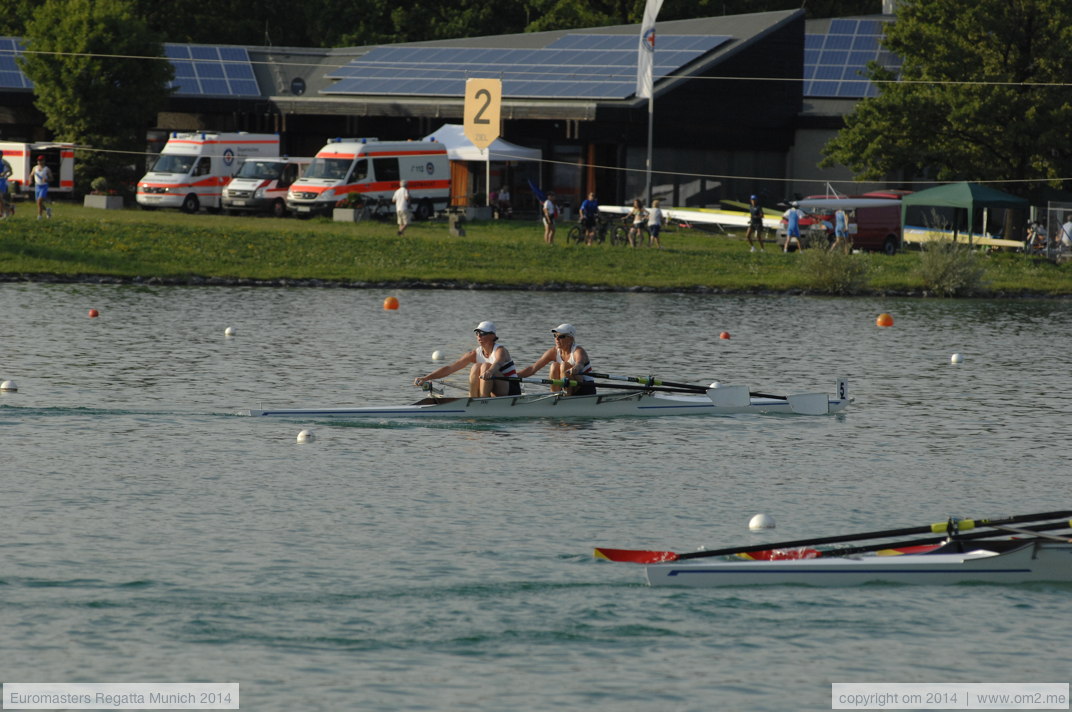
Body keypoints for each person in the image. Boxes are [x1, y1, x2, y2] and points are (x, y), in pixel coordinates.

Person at [413, 321, 521, 397]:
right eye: (477, 333)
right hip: (494, 391)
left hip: (511, 391)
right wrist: (426, 378)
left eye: (483, 333)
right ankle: (473, 400)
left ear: (493, 336)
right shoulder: (474, 354)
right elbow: (450, 368)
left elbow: (498, 363)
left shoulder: (500, 350)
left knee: (485, 366)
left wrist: (490, 371)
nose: (479, 336)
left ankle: (483, 402)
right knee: (476, 366)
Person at [516, 323, 596, 396]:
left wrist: (576, 368)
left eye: (561, 336)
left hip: (585, 389)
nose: (557, 339)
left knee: (564, 365)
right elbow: (533, 368)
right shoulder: (553, 352)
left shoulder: (578, 351)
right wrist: (513, 376)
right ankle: (556, 395)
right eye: (555, 335)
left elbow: (580, 364)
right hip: (568, 385)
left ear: (571, 339)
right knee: (554, 366)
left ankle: (566, 398)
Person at [32, 155, 53, 219]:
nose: (39, 162)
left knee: (39, 201)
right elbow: (31, 175)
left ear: (44, 161)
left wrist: (47, 180)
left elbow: (51, 178)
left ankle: (39, 216)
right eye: (38, 160)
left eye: (41, 160)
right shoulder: (35, 168)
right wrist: (30, 180)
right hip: (37, 186)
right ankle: (47, 210)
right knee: (38, 203)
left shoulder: (46, 169)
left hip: (44, 186)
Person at [0, 150, 12, 218]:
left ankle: (2, 213)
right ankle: (8, 208)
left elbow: (10, 171)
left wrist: (5, 175)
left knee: (0, 197)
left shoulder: (4, 162)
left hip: (2, 181)